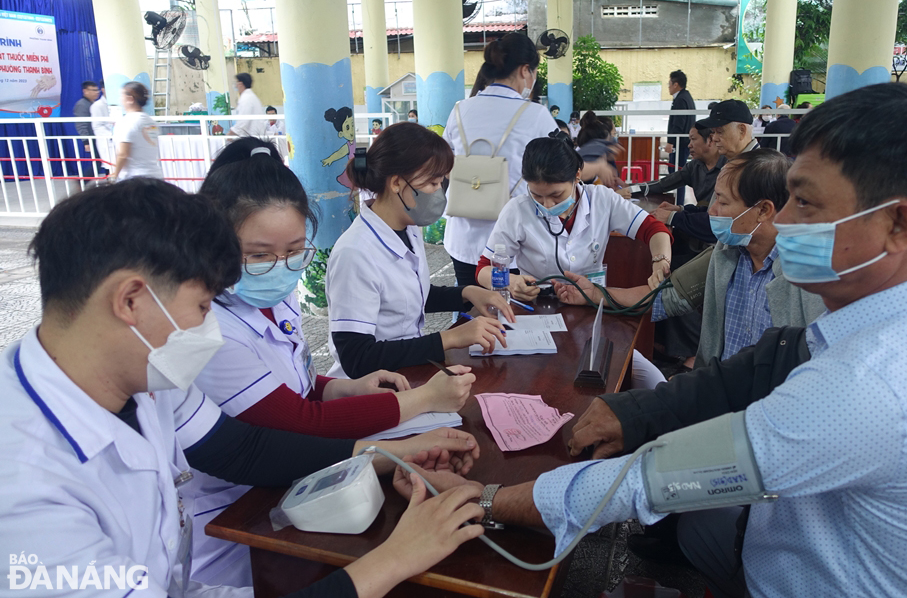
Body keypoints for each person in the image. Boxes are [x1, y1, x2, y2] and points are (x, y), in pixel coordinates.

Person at [397, 82, 907, 598]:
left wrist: (482, 501)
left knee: (661, 508)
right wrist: (630, 412)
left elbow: (652, 480)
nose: (781, 222)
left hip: (803, 578)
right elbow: (769, 358)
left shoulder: (875, 385)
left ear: (898, 224)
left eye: (806, 204)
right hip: (795, 540)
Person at [0, 178, 486, 598]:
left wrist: (392, 455)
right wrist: (396, 558)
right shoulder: (24, 490)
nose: (210, 325)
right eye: (205, 305)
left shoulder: (144, 372)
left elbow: (240, 449)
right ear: (131, 300)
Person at [190, 138, 478, 585]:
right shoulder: (211, 332)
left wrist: (341, 388)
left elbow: (295, 381)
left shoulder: (273, 299)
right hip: (235, 512)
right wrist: (418, 409)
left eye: (294, 252)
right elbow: (298, 422)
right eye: (260, 255)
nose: (281, 267)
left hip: (296, 480)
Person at [558, 148, 825, 368]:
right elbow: (667, 297)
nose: (712, 212)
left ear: (763, 210)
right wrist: (594, 294)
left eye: (722, 201)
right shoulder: (726, 253)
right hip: (718, 395)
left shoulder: (810, 276)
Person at [473, 133, 674, 388]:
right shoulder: (517, 210)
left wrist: (660, 261)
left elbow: (654, 229)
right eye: (537, 196)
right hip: (537, 315)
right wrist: (511, 281)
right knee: (543, 384)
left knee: (650, 382)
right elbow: (483, 269)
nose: (546, 205)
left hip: (590, 311)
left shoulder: (602, 199)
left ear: (578, 174)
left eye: (556, 196)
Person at [325, 122, 514, 379]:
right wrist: (448, 338)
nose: (439, 193)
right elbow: (357, 358)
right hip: (368, 388)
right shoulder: (355, 254)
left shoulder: (408, 227)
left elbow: (409, 298)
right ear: (396, 183)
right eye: (432, 183)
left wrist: (469, 293)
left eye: (441, 183)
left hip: (408, 373)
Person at [442, 33, 615, 286]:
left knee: (470, 307)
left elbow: (444, 167)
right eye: (534, 72)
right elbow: (565, 169)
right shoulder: (535, 115)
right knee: (512, 315)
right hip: (512, 244)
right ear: (525, 70)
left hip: (461, 239)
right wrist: (598, 166)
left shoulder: (460, 109)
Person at [652, 99, 760, 245]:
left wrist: (673, 217)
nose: (714, 138)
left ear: (741, 131)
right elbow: (714, 211)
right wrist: (681, 210)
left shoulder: (754, 170)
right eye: (713, 132)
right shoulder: (735, 163)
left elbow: (719, 224)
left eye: (719, 132)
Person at [635, 124, 726, 207]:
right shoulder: (694, 167)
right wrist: (631, 188)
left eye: (693, 139)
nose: (689, 145)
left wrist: (677, 214)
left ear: (710, 140)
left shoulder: (730, 168)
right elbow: (663, 184)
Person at [110, 82, 162, 182]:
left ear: (130, 99)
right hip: (155, 175)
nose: (120, 100)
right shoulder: (151, 121)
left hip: (135, 179)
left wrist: (115, 175)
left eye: (121, 96)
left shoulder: (127, 121)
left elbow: (123, 154)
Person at [665, 70, 696, 204]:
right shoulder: (685, 97)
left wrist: (671, 142)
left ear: (676, 84)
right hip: (683, 142)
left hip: (680, 143)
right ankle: (678, 201)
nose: (668, 86)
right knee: (677, 171)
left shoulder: (681, 99)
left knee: (677, 172)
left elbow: (679, 122)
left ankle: (678, 203)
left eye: (669, 83)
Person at [74, 80, 100, 178]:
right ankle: (82, 181)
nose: (96, 92)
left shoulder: (95, 104)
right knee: (98, 162)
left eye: (97, 90)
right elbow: (81, 124)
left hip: (97, 136)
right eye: (93, 90)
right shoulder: (82, 105)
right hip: (91, 138)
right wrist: (86, 141)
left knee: (100, 161)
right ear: (85, 91)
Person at [228, 72, 266, 138]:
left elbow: (243, 122)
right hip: (253, 135)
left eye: (237, 82)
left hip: (252, 136)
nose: (236, 85)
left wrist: (231, 134)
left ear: (240, 84)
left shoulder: (246, 99)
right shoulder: (250, 97)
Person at [89, 80, 111, 175]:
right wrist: (112, 135)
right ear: (103, 89)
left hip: (117, 141)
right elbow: (97, 126)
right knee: (110, 167)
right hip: (107, 141)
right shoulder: (97, 106)